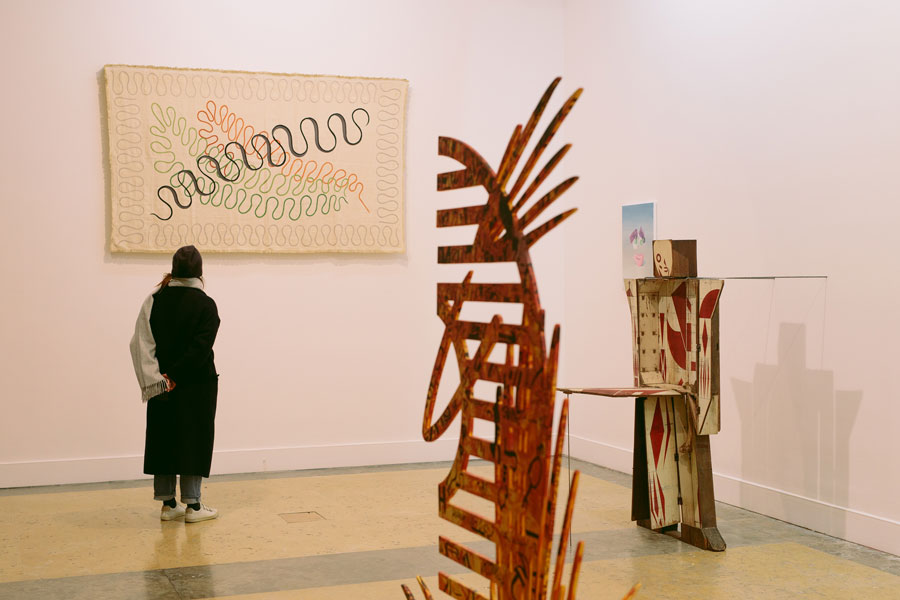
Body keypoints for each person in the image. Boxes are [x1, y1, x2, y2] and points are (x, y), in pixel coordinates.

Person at [129, 245, 221, 523]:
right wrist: (176, 376)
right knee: (193, 439)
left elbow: (139, 343)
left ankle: (168, 504)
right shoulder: (206, 304)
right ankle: (193, 505)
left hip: (159, 383)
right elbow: (200, 349)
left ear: (174, 270)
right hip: (196, 384)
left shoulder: (155, 300)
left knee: (164, 438)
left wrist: (163, 378)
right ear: (200, 272)